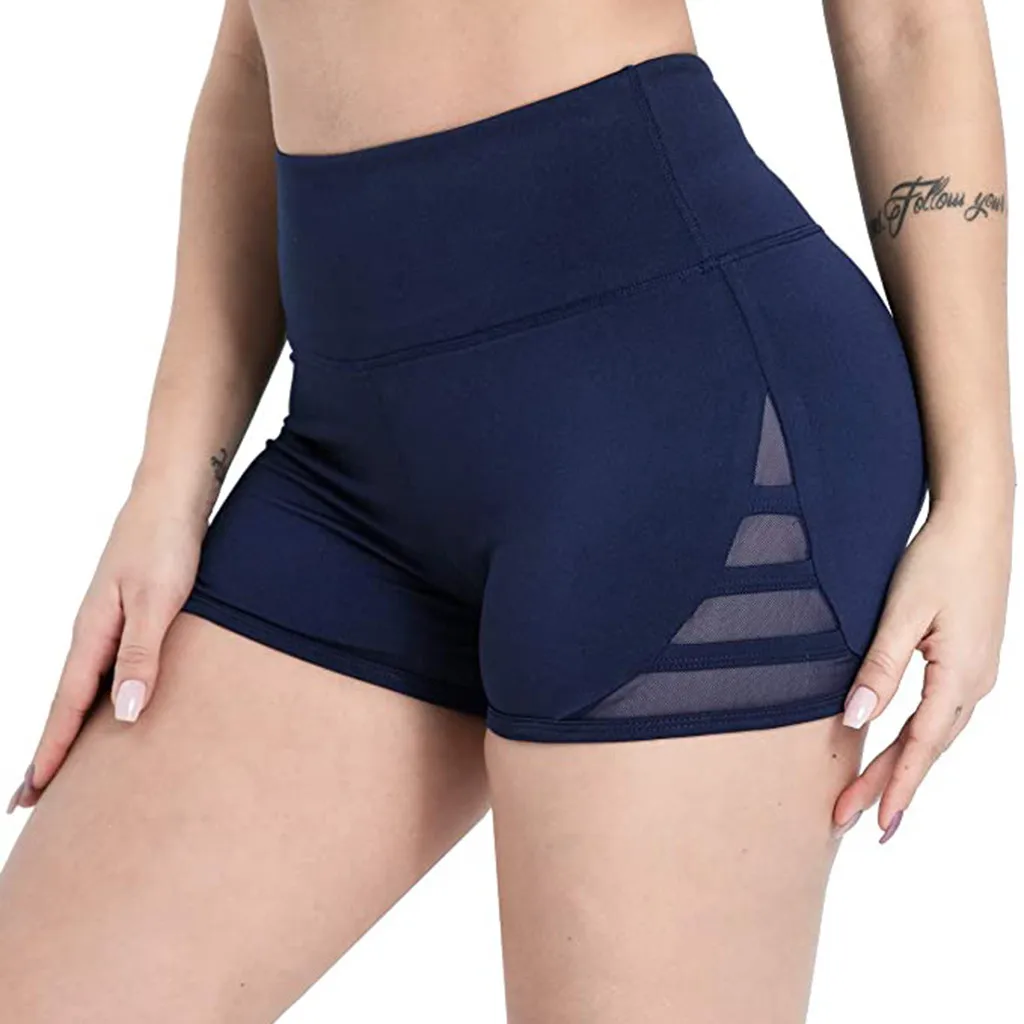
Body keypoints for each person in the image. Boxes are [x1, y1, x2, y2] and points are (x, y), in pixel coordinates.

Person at [0, 1, 1012, 1020]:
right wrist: (170, 478)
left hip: (680, 435)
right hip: (350, 474)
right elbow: (253, 47)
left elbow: (905, 23)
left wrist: (981, 491)